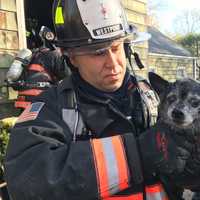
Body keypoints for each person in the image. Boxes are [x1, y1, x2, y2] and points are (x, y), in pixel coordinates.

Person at [4, 0, 200, 200]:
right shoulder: (52, 109)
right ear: (71, 57)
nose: (113, 64)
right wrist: (136, 154)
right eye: (98, 52)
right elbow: (25, 182)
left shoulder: (149, 95)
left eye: (116, 47)